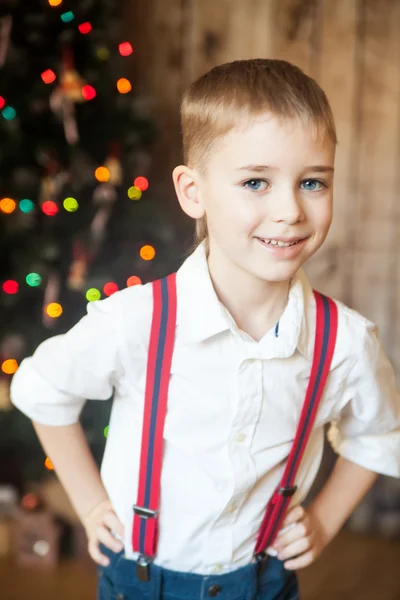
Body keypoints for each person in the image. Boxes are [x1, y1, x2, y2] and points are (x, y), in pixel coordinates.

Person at [11, 59, 400, 600]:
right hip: (140, 581)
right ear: (193, 192)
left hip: (262, 582)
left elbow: (378, 434)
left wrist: (325, 520)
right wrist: (90, 501)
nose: (289, 209)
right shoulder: (136, 320)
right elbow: (42, 391)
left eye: (312, 181)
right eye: (255, 182)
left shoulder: (345, 342)